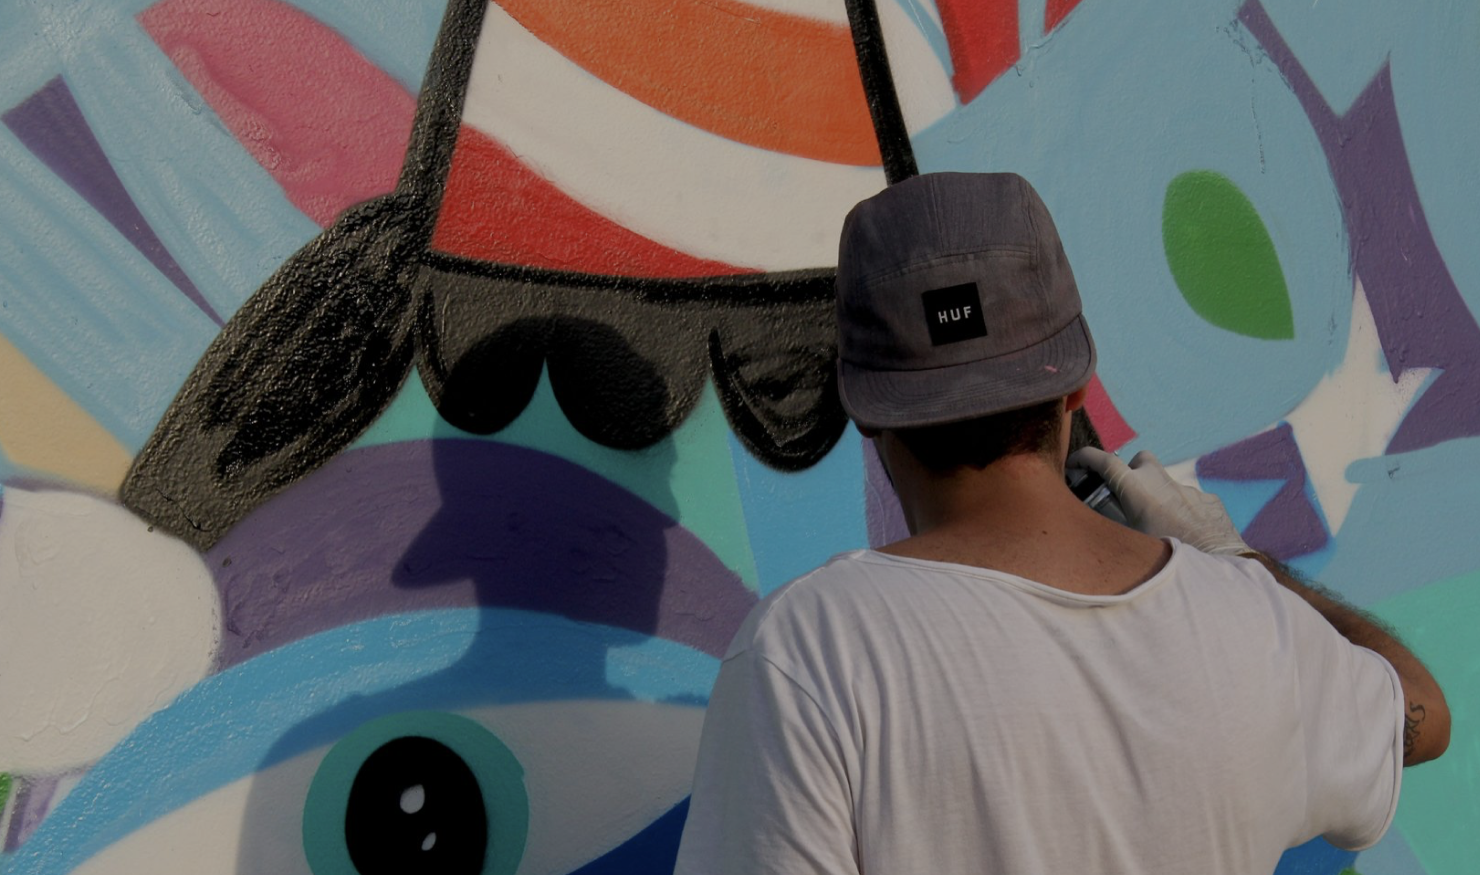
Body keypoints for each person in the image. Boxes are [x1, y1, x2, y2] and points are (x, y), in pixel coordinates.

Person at [673, 172, 1448, 874]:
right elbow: (1423, 713)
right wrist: (1239, 560)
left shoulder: (810, 651)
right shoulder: (1252, 623)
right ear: (1074, 385)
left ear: (866, 412)